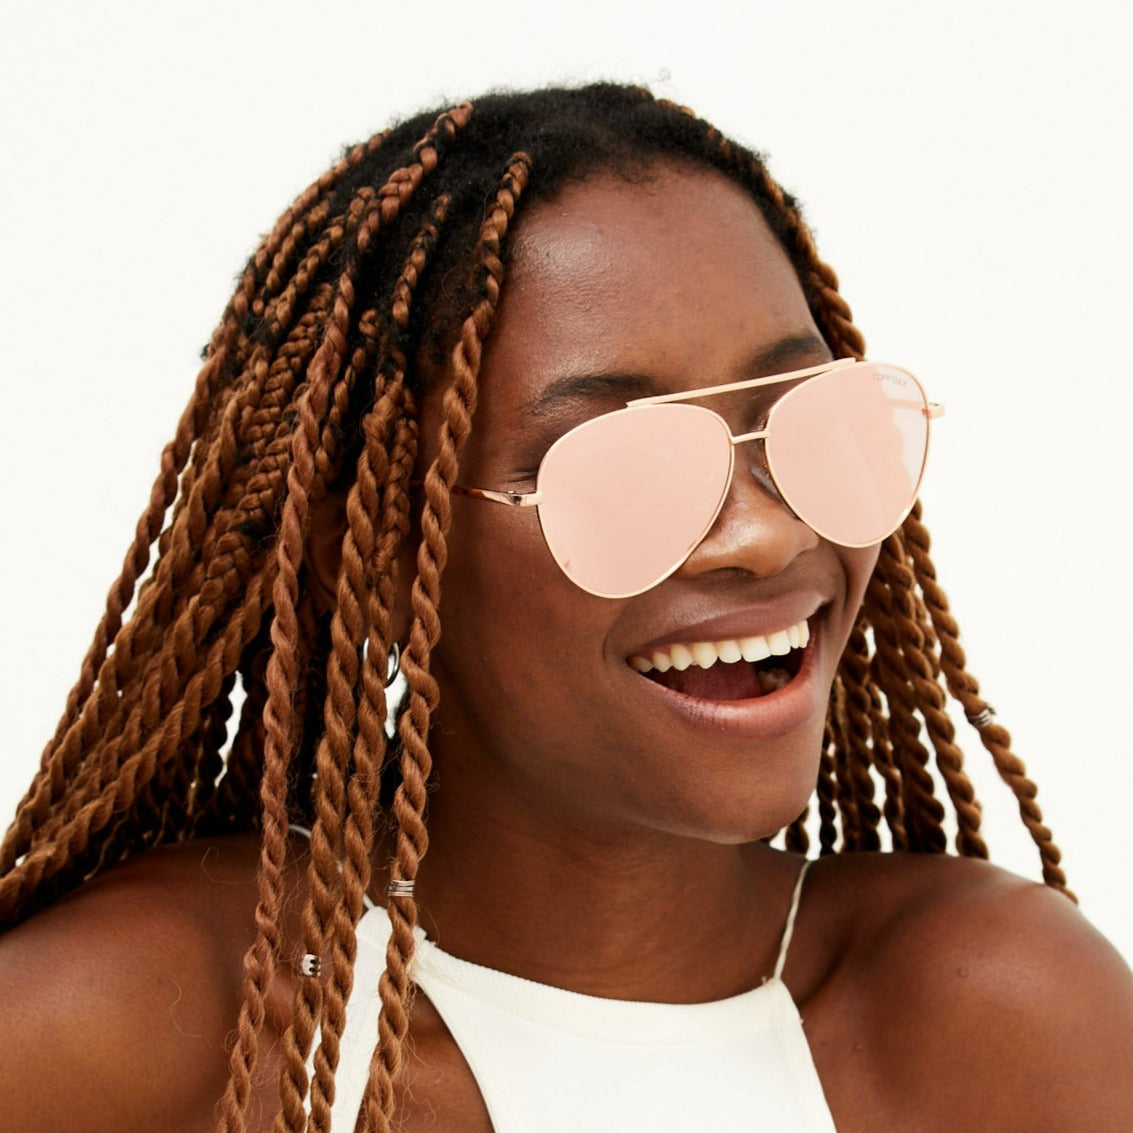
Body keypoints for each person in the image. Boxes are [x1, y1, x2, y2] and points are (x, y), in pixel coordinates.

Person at [0, 83, 1130, 1133]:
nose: (767, 534)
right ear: (377, 550)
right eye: (624, 467)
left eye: (804, 421)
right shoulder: (122, 1035)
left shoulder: (997, 1016)